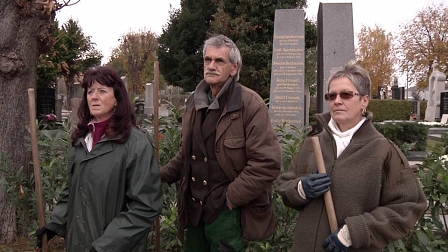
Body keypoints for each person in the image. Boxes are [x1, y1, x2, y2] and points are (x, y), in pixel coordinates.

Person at [277, 61, 427, 252]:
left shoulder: (382, 150)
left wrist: (354, 232)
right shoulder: (312, 144)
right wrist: (301, 189)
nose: (337, 100)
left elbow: (409, 205)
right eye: (331, 96)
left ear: (364, 100)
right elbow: (285, 187)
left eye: (346, 94)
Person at [160, 34, 281, 251]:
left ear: (234, 68)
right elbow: (187, 155)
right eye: (208, 60)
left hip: (229, 216)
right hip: (195, 212)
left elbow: (266, 164)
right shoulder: (194, 103)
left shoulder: (250, 104)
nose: (211, 66)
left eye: (219, 61)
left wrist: (229, 199)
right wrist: (155, 176)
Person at [36, 66, 162, 252]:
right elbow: (73, 191)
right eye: (90, 91)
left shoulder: (136, 144)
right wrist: (55, 223)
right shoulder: (81, 141)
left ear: (117, 99)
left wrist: (105, 246)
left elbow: (144, 206)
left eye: (102, 91)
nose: (94, 96)